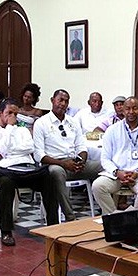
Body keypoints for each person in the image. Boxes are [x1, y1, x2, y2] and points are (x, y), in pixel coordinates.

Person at [0, 98, 59, 245]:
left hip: (25, 168)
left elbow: (29, 148)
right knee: (5, 184)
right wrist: (10, 129)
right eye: (9, 113)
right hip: (3, 171)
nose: (12, 117)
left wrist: (7, 151)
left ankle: (53, 226)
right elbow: (0, 149)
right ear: (0, 113)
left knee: (48, 178)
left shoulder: (23, 130)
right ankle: (6, 231)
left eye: (15, 114)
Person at [33, 89, 102, 221]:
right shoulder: (41, 123)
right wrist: (63, 164)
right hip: (53, 164)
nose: (63, 104)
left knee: (104, 167)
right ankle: (70, 217)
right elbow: (39, 155)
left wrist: (80, 161)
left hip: (74, 163)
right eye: (60, 100)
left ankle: (108, 212)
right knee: (57, 172)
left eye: (66, 101)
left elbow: (81, 147)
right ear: (52, 101)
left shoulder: (73, 121)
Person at [92, 97, 138, 214]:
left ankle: (136, 219)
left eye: (135, 108)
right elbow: (105, 158)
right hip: (116, 174)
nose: (131, 112)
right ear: (123, 111)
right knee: (98, 186)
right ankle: (114, 217)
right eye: (127, 109)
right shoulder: (112, 130)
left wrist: (137, 172)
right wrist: (117, 172)